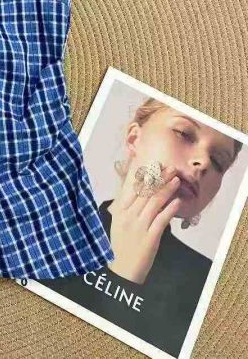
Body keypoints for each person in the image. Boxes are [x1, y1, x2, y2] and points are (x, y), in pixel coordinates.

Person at [37, 98, 243, 357]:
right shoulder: (48, 231)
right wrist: (121, 278)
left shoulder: (210, 288)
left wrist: (124, 279)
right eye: (184, 133)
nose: (203, 161)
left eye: (218, 161)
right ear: (134, 138)